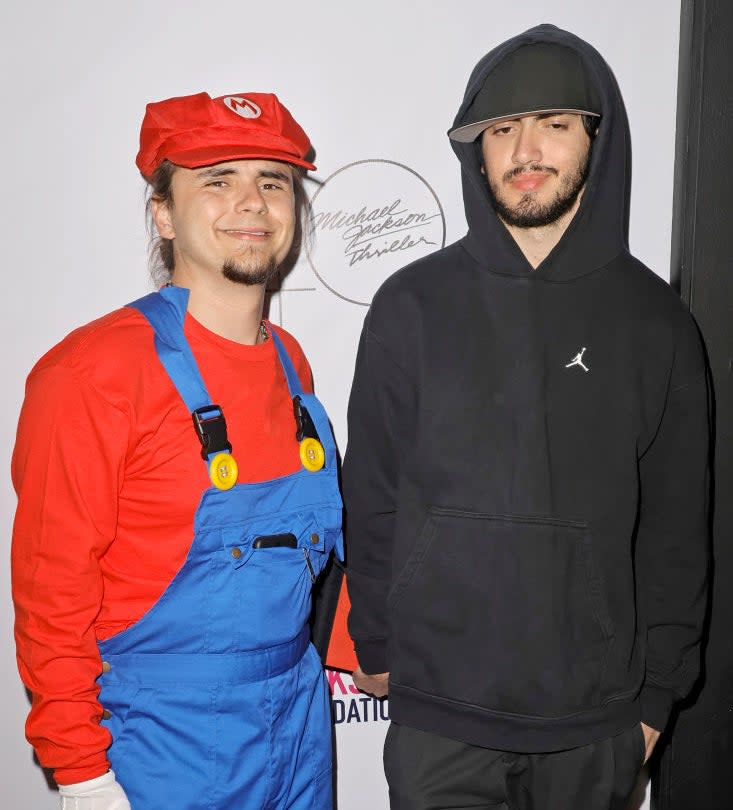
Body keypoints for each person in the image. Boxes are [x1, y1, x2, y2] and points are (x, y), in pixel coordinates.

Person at [343, 24, 709, 810]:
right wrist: (373, 639)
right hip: (440, 712)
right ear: (475, 151)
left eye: (554, 124)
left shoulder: (655, 322)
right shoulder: (409, 306)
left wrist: (655, 703)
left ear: (594, 140)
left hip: (595, 722)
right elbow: (369, 488)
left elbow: (679, 527)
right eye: (502, 128)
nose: (525, 149)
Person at [12, 91, 342, 810]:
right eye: (217, 179)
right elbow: (52, 594)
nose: (250, 202)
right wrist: (81, 771)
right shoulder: (91, 374)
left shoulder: (292, 365)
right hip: (163, 742)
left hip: (297, 723)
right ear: (163, 213)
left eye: (272, 181)